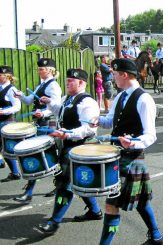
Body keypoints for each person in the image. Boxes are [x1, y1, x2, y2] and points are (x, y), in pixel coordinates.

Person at [91, 58, 163, 245]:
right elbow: (111, 121)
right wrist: (98, 120)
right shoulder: (120, 96)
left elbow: (150, 135)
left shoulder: (144, 99)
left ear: (124, 74)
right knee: (141, 202)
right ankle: (156, 237)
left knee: (111, 204)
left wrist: (131, 142)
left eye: (114, 74)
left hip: (132, 157)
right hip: (116, 155)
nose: (112, 77)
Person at [37, 68, 102, 234]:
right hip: (68, 144)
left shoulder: (88, 102)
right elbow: (59, 110)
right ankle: (95, 211)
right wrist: (47, 104)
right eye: (67, 80)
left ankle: (54, 221)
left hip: (81, 146)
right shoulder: (68, 99)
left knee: (64, 185)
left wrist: (67, 133)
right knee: (79, 182)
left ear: (81, 82)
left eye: (71, 81)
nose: (67, 83)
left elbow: (89, 129)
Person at [12, 58, 62, 202]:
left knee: (41, 154)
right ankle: (56, 184)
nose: (39, 71)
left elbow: (56, 106)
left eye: (42, 69)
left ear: (50, 70)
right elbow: (29, 101)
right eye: (39, 69)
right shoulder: (41, 84)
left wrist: (44, 113)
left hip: (49, 122)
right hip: (40, 123)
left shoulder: (53, 86)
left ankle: (29, 192)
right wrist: (20, 96)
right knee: (44, 155)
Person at [0, 66, 21, 181]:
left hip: (7, 122)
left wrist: (3, 111)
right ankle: (14, 171)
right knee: (4, 149)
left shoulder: (11, 89)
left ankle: (15, 172)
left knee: (6, 148)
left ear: (7, 76)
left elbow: (17, 107)